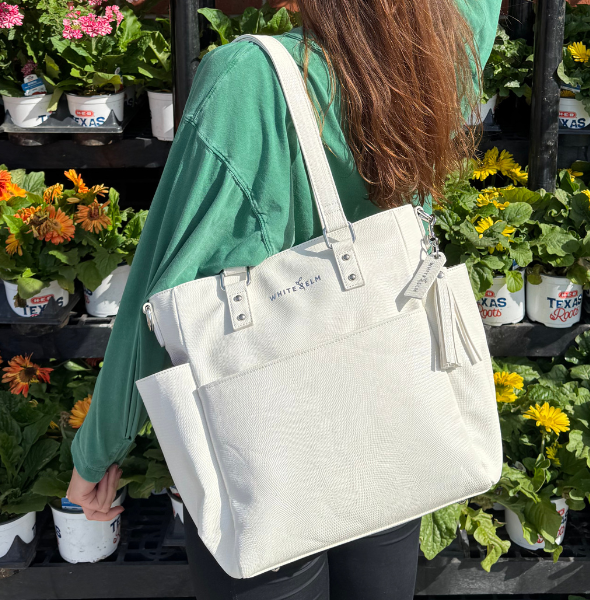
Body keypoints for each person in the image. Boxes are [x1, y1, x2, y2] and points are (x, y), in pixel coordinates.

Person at [67, 0, 502, 597]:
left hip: (267, 445)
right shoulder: (451, 29)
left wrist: (99, 450)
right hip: (394, 416)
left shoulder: (250, 79)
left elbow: (158, 296)